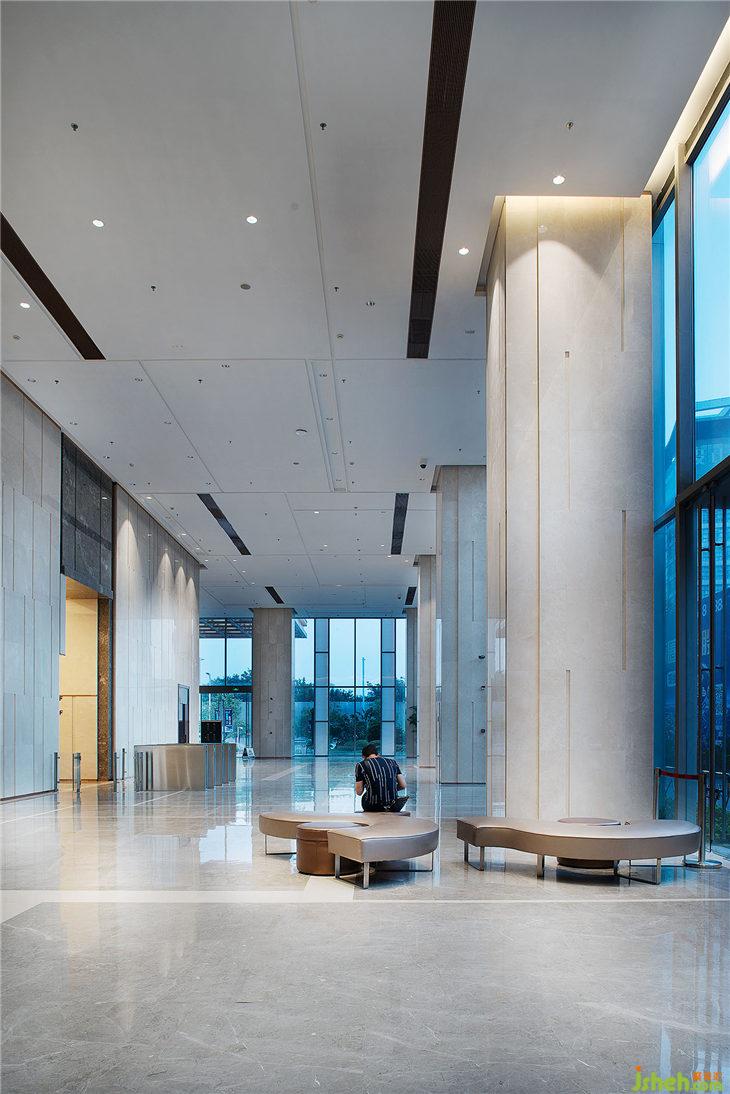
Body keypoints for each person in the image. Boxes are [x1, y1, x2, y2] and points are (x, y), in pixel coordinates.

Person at [355, 743, 408, 812]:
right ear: (378, 754)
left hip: (373, 806)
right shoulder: (392, 762)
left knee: (366, 794)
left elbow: (359, 792)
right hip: (393, 804)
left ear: (363, 756)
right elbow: (403, 785)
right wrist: (388, 789)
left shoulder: (361, 765)